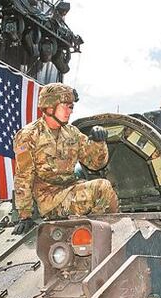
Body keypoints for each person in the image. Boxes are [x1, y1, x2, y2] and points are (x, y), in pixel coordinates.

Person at [12, 83, 119, 235]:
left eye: (71, 107)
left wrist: (99, 142)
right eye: (66, 106)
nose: (70, 111)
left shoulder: (72, 133)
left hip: (70, 189)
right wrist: (25, 215)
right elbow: (23, 176)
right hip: (49, 200)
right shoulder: (29, 135)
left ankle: (103, 232)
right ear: (49, 107)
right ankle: (104, 232)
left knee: (105, 188)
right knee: (101, 188)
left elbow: (96, 164)